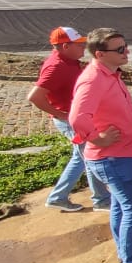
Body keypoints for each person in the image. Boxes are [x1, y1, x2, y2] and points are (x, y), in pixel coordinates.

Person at [70, 28, 132, 263]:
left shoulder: (107, 73)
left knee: (121, 207)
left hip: (121, 154)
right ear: (100, 54)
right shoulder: (93, 79)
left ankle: (129, 251)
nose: (126, 52)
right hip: (112, 157)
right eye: (119, 49)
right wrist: (97, 138)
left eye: (125, 46)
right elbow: (77, 118)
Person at [27, 26, 111, 213]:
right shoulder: (56, 67)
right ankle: (102, 200)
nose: (83, 47)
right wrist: (60, 114)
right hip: (71, 121)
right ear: (65, 46)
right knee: (90, 156)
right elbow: (34, 96)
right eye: (79, 44)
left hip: (74, 118)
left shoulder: (68, 61)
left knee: (80, 158)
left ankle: (58, 197)